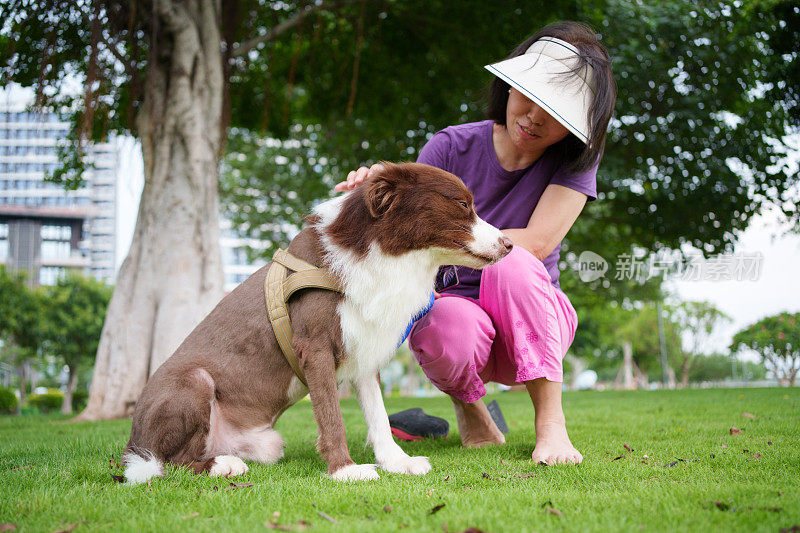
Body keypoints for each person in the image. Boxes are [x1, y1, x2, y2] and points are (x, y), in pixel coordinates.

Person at [334, 21, 616, 465]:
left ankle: (551, 426)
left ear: (575, 128)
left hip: (534, 321)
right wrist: (371, 189)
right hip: (461, 327)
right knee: (443, 320)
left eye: (555, 113)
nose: (534, 117)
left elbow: (539, 242)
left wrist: (455, 242)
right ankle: (473, 413)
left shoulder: (575, 163)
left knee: (514, 262)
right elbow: (400, 223)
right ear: (508, 87)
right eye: (529, 96)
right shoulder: (451, 146)